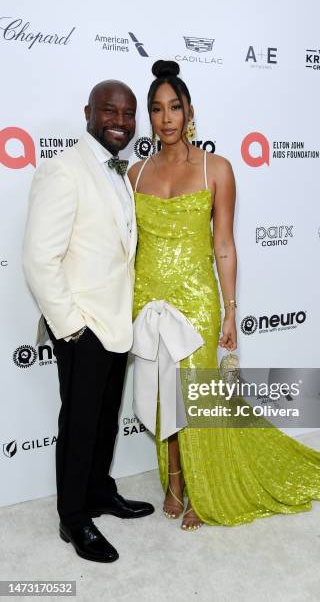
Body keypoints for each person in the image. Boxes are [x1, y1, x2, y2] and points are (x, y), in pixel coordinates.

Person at [128, 60, 320, 532]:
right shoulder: (135, 175)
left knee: (198, 398)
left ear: (190, 111)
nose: (166, 118)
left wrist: (231, 310)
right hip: (147, 296)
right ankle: (174, 480)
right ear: (150, 117)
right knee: (162, 395)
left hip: (197, 299)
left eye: (175, 107)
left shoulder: (215, 167)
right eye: (157, 109)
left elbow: (224, 243)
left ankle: (205, 486)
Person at [23, 80, 154, 563]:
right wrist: (72, 327)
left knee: (103, 420)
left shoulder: (120, 172)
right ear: (89, 112)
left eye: (127, 114)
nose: (120, 121)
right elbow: (39, 259)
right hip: (83, 326)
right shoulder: (63, 170)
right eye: (109, 112)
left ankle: (99, 492)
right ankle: (73, 516)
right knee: (79, 424)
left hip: (117, 321)